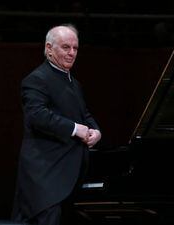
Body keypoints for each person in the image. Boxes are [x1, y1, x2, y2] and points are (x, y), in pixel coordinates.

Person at [12, 24, 102, 225]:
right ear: (48, 48)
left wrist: (96, 131)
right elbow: (36, 116)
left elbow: (84, 114)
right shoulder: (36, 80)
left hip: (68, 176)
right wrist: (75, 129)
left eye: (75, 48)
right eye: (65, 47)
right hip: (46, 178)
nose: (71, 53)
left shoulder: (74, 83)